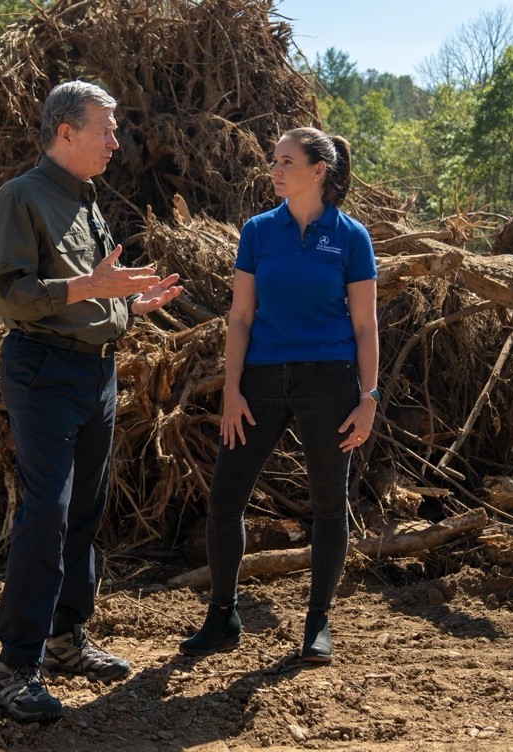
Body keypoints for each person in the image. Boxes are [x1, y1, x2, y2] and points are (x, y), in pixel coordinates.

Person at [0, 80, 183, 722]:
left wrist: (127, 303)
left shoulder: (87, 201)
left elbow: (90, 290)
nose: (115, 140)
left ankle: (68, 639)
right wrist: (90, 287)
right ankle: (16, 667)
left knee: (85, 514)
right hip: (42, 371)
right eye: (105, 128)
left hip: (97, 374)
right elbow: (11, 295)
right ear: (65, 132)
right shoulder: (21, 197)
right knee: (46, 513)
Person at [178, 127, 379, 664]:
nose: (274, 168)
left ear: (318, 171)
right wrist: (232, 389)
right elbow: (240, 317)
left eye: (285, 160)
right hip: (261, 381)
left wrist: (368, 397)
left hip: (330, 383)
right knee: (224, 502)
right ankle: (223, 616)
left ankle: (318, 622)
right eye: (273, 160)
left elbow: (365, 327)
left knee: (328, 507)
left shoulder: (352, 238)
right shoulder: (257, 232)